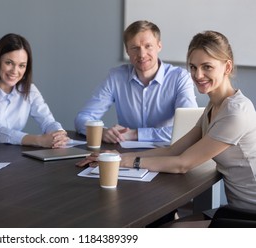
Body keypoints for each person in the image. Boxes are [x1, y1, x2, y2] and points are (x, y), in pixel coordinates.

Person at [77, 31, 256, 226]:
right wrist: (117, 158)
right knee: (163, 226)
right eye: (193, 67)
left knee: (168, 230)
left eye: (207, 67)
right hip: (235, 210)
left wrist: (126, 162)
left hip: (248, 215)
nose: (198, 75)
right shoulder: (215, 105)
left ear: (227, 67)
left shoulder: (235, 112)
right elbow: (174, 149)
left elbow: (182, 164)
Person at [74, 20, 197, 143]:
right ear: (127, 51)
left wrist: (135, 134)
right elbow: (83, 118)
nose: (142, 54)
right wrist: (101, 132)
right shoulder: (116, 77)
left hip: (165, 154)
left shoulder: (180, 77)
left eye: (148, 46)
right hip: (124, 153)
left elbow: (188, 129)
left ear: (159, 46)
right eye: (135, 48)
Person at [0, 33, 69, 148]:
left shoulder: (29, 89)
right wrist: (38, 140)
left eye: (22, 65)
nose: (15, 71)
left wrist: (59, 134)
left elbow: (47, 121)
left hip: (14, 154)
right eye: (9, 63)